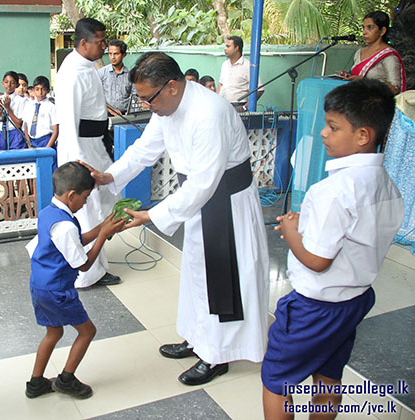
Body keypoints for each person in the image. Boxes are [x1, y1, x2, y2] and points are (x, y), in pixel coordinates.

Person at [88, 52, 270, 385]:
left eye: (148, 98)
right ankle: (197, 338)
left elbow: (204, 182)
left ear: (172, 86)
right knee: (198, 274)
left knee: (223, 279)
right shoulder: (166, 106)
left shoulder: (209, 114)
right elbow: (145, 148)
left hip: (225, 204)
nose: (145, 105)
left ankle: (217, 355)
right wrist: (110, 176)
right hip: (200, 201)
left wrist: (150, 215)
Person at [261, 79, 404, 419]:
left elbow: (317, 260)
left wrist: (292, 231)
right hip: (353, 300)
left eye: (333, 127)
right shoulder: (385, 184)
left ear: (362, 136)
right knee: (328, 378)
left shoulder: (333, 190)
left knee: (275, 381)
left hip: (314, 307)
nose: (323, 133)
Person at [25, 162, 126, 399]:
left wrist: (104, 226)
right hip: (58, 290)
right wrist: (102, 235)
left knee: (53, 333)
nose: (86, 202)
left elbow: (75, 240)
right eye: (86, 197)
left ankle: (36, 384)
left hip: (40, 285)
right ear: (72, 195)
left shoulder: (49, 212)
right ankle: (66, 380)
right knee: (87, 332)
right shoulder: (65, 226)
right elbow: (83, 264)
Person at [55, 17, 122, 288]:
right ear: (83, 42)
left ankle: (98, 263)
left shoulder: (88, 66)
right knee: (87, 209)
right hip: (80, 149)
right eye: (100, 41)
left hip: (95, 144)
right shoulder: (71, 72)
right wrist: (77, 167)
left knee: (101, 205)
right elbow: (69, 123)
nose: (105, 46)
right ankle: (86, 274)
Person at [339, 11, 406, 94]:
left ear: (382, 31)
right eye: (363, 28)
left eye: (370, 27)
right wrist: (347, 75)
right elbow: (358, 75)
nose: (364, 32)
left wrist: (365, 81)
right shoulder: (359, 52)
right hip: (356, 100)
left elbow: (395, 89)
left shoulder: (389, 56)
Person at [217, 36, 264, 109]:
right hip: (223, 105)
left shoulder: (248, 66)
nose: (225, 49)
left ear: (236, 48)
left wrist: (245, 106)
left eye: (228, 46)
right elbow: (220, 84)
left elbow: (260, 90)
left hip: (239, 106)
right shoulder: (225, 64)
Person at [0, 71, 29, 150]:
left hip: (15, 133)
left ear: (16, 85)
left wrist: (8, 109)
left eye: (12, 83)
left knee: (16, 158)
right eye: (6, 82)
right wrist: (1, 110)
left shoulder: (21, 101)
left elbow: (18, 124)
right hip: (3, 132)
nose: (9, 85)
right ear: (2, 83)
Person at [98, 39, 135, 115]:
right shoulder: (101, 73)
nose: (112, 57)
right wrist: (112, 110)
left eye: (116, 54)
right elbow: (96, 96)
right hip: (105, 115)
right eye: (110, 54)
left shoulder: (131, 75)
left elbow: (135, 97)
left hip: (125, 116)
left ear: (123, 55)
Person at [23, 76, 58, 151]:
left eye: (43, 89)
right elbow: (26, 127)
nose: (40, 92)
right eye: (37, 89)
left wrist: (47, 147)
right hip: (32, 141)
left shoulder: (51, 107)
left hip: (46, 140)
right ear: (33, 90)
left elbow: (55, 131)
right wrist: (29, 144)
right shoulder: (29, 106)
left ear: (48, 90)